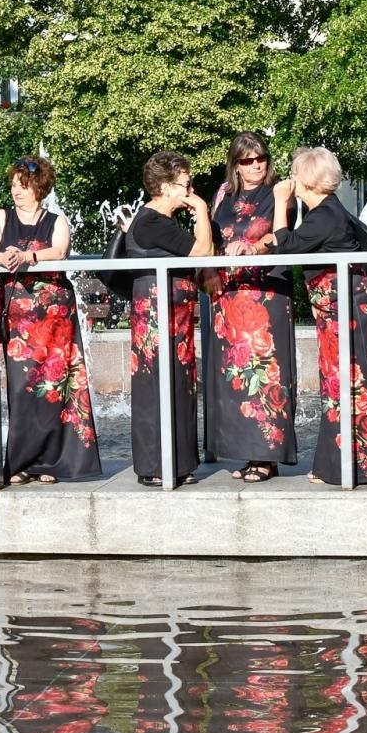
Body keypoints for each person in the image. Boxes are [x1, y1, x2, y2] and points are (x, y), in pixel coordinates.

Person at [269, 147, 367, 486]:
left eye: (295, 173)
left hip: (344, 310)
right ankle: (353, 465)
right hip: (342, 309)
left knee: (348, 381)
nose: (291, 179)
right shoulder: (325, 213)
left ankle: (352, 468)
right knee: (349, 381)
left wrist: (279, 204)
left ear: (307, 179)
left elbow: (286, 247)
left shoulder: (325, 215)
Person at [0, 156, 101, 486]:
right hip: (18, 320)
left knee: (54, 389)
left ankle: (51, 463)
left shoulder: (56, 220)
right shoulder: (1, 217)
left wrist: (28, 256)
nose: (16, 190)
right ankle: (20, 462)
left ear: (39, 187)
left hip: (56, 317)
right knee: (21, 390)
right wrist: (3, 256)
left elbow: (60, 252)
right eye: (14, 185)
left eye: (23, 185)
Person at [206, 132, 298, 483]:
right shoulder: (222, 194)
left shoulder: (279, 192)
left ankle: (267, 456)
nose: (255, 165)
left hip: (265, 293)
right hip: (227, 294)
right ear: (235, 164)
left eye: (260, 157)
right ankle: (243, 452)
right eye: (247, 160)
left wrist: (255, 246)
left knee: (265, 374)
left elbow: (281, 236)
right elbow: (211, 238)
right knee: (234, 377)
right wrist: (209, 271)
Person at [123, 150, 213, 487]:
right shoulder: (151, 222)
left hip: (174, 318)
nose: (190, 191)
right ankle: (156, 465)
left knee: (177, 385)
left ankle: (177, 463)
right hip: (158, 319)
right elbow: (202, 252)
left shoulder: (160, 221)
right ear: (165, 186)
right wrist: (202, 210)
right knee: (157, 386)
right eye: (185, 184)